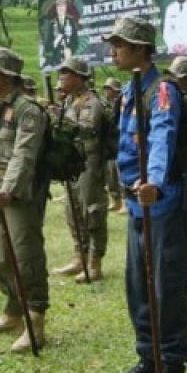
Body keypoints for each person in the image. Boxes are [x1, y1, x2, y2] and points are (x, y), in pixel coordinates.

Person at [101, 17, 187, 373]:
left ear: (141, 49)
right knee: (138, 286)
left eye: (120, 44)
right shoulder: (130, 89)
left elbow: (162, 136)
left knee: (166, 289)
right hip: (138, 203)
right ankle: (148, 362)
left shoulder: (163, 90)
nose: (113, 50)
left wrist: (153, 179)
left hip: (163, 203)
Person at [0, 47, 50, 353]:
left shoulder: (28, 110)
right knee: (0, 257)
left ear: (7, 75)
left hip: (21, 193)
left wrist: (10, 188)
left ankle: (35, 320)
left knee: (25, 256)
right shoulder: (2, 106)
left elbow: (24, 154)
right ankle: (13, 312)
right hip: (3, 191)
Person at [52, 56, 111, 284]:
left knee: (92, 210)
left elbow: (87, 128)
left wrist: (61, 121)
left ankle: (94, 261)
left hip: (89, 161)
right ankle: (80, 256)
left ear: (78, 77)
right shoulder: (69, 101)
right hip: (72, 162)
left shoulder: (91, 102)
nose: (61, 78)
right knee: (73, 210)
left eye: (66, 73)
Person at [102, 77, 125, 213]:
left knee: (121, 174)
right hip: (110, 145)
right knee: (111, 175)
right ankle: (116, 200)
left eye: (109, 88)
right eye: (106, 88)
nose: (106, 91)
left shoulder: (123, 103)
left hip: (120, 143)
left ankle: (125, 203)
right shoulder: (104, 104)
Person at [44, 0, 83, 67]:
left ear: (66, 6)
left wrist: (70, 50)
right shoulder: (51, 23)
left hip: (69, 57)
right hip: (55, 60)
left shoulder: (71, 21)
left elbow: (75, 41)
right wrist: (55, 42)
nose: (61, 7)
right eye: (58, 5)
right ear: (55, 7)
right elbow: (47, 46)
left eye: (63, 5)